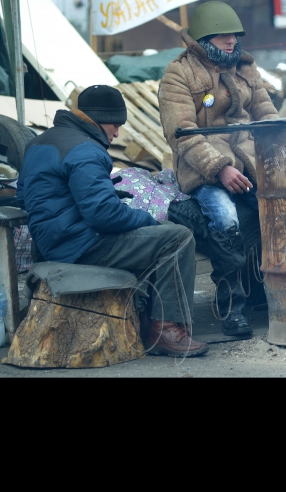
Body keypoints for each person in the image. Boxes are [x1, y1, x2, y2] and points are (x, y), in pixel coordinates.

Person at [16, 85, 208, 357]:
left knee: (162, 236)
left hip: (52, 243)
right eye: (114, 125)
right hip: (82, 247)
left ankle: (145, 321)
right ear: (96, 118)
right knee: (177, 237)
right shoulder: (86, 150)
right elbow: (105, 215)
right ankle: (166, 330)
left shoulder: (38, 142)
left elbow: (25, 197)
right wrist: (146, 217)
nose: (117, 133)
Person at [159, 1, 279, 339]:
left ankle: (280, 296)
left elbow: (267, 113)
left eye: (234, 35)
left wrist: (279, 153)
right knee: (225, 221)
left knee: (284, 213)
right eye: (223, 35)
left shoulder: (245, 67)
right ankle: (232, 308)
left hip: (254, 165)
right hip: (204, 170)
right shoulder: (178, 74)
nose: (231, 40)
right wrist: (219, 169)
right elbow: (181, 134)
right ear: (205, 37)